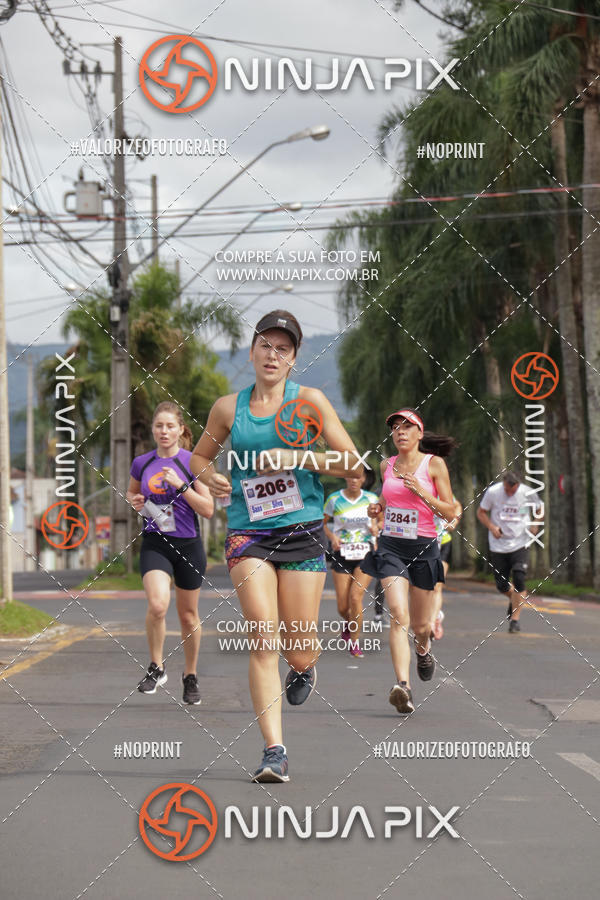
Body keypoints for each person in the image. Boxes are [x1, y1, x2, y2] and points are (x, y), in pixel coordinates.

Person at [190, 310, 361, 783]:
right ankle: (274, 750)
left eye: (283, 348)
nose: (273, 354)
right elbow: (199, 456)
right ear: (252, 350)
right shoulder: (229, 408)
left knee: (299, 647)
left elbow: (353, 464)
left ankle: (305, 667)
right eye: (266, 344)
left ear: (294, 359)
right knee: (263, 636)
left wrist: (296, 455)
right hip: (249, 533)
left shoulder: (309, 401)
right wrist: (213, 477)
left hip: (302, 529)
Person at [360, 408, 457, 715]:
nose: (400, 432)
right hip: (391, 546)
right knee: (398, 615)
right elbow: (388, 500)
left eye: (406, 427)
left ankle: (424, 650)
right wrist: (377, 508)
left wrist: (423, 493)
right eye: (395, 428)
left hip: (425, 548)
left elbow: (451, 511)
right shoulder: (386, 464)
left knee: (422, 625)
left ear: (419, 434)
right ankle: (403, 685)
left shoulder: (434, 464)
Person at [127, 402, 214, 705]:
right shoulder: (142, 462)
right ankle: (156, 666)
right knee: (158, 604)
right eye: (159, 426)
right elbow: (132, 493)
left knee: (188, 616)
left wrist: (181, 487)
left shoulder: (193, 463)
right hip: (155, 542)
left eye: (170, 426)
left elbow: (208, 508)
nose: (164, 431)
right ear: (153, 429)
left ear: (180, 430)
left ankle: (190, 676)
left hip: (189, 545)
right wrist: (135, 502)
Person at [477, 470, 542, 633]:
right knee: (502, 585)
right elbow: (481, 512)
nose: (509, 493)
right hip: (498, 543)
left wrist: (536, 522)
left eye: (513, 490)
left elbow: (540, 508)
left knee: (519, 577)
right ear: (503, 483)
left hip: (521, 541)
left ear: (518, 485)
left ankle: (515, 620)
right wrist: (492, 527)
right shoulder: (493, 492)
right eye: (507, 489)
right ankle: (515, 599)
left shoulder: (527, 492)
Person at [323, 470, 379, 658]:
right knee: (343, 607)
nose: (355, 481)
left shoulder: (372, 498)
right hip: (342, 553)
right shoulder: (334, 499)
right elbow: (322, 523)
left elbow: (382, 519)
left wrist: (376, 528)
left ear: (364, 479)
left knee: (356, 598)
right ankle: (349, 624)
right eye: (351, 477)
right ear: (345, 477)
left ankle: (354, 642)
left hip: (365, 553)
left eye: (359, 477)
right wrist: (332, 537)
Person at [431, 496, 463, 640]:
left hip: (443, 543)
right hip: (422, 544)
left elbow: (457, 505)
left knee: (437, 586)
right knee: (425, 587)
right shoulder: (415, 487)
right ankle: (434, 614)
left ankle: (433, 621)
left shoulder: (440, 491)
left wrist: (454, 521)